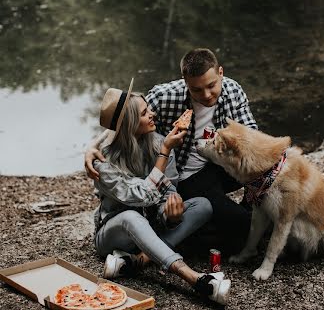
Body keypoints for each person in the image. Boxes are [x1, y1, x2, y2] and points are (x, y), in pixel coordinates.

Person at [85, 48, 258, 254]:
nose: (206, 94)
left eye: (211, 86)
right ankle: (182, 240)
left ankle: (235, 213)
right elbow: (124, 118)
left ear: (220, 73)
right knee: (243, 225)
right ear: (185, 82)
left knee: (257, 178)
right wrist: (92, 146)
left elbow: (252, 137)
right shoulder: (164, 96)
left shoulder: (233, 90)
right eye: (196, 90)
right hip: (188, 177)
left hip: (218, 166)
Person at [92, 79, 231, 305]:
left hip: (152, 229)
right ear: (130, 123)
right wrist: (165, 152)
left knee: (202, 205)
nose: (153, 114)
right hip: (114, 237)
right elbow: (142, 197)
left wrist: (170, 217)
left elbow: (168, 192)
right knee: (131, 216)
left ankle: (139, 261)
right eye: (145, 112)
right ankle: (194, 279)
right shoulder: (102, 162)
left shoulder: (158, 142)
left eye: (150, 109)